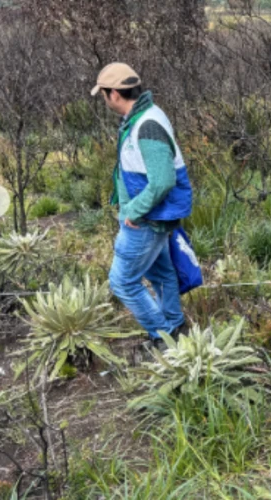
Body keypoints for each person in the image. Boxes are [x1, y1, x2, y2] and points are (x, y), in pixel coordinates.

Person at [91, 63, 193, 350]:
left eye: (104, 94)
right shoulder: (143, 117)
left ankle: (164, 338)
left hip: (147, 218)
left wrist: (134, 211)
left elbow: (162, 181)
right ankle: (175, 325)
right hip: (152, 215)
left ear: (114, 94)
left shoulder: (147, 125)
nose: (104, 100)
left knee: (122, 282)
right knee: (161, 273)